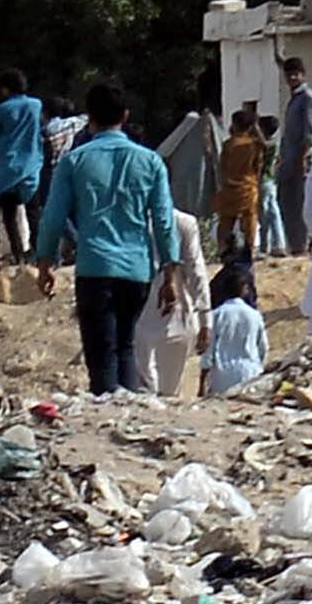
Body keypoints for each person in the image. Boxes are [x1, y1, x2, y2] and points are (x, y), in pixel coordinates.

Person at [37, 86, 180, 395]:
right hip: (137, 269)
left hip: (94, 268)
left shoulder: (74, 162)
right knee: (125, 346)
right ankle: (127, 409)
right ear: (125, 116)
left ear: (90, 119)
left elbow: (53, 216)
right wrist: (171, 273)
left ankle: (106, 417)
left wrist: (45, 261)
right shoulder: (151, 162)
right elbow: (164, 220)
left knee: (101, 354)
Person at [137, 205, 208, 397]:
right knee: (156, 394)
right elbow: (196, 272)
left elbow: (196, 272)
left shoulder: (182, 223)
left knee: (156, 393)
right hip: (150, 318)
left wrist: (205, 320)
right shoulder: (131, 220)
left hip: (168, 316)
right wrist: (205, 321)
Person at [0, 73, 45, 261]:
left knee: (9, 217)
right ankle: (39, 254)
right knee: (33, 214)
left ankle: (18, 254)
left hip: (7, 168)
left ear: (6, 88)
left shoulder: (2, 109)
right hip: (32, 166)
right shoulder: (36, 105)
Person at [204, 261, 267, 395]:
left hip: (222, 378)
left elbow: (209, 351)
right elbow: (263, 348)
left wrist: (202, 381)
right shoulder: (255, 316)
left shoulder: (216, 315)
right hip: (250, 374)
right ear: (245, 290)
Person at [218, 105, 268, 260]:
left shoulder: (228, 144)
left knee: (226, 220)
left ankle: (222, 250)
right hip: (248, 186)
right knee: (250, 219)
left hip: (229, 186)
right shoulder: (254, 145)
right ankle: (250, 250)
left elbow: (222, 166)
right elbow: (258, 166)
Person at [284, 59, 312, 255]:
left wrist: (302, 158)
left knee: (302, 202)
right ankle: (296, 244)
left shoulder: (307, 97)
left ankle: (303, 244)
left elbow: (308, 131)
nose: (292, 78)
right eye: (289, 74)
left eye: (296, 74)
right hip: (289, 158)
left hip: (300, 158)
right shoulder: (294, 98)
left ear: (303, 74)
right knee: (290, 202)